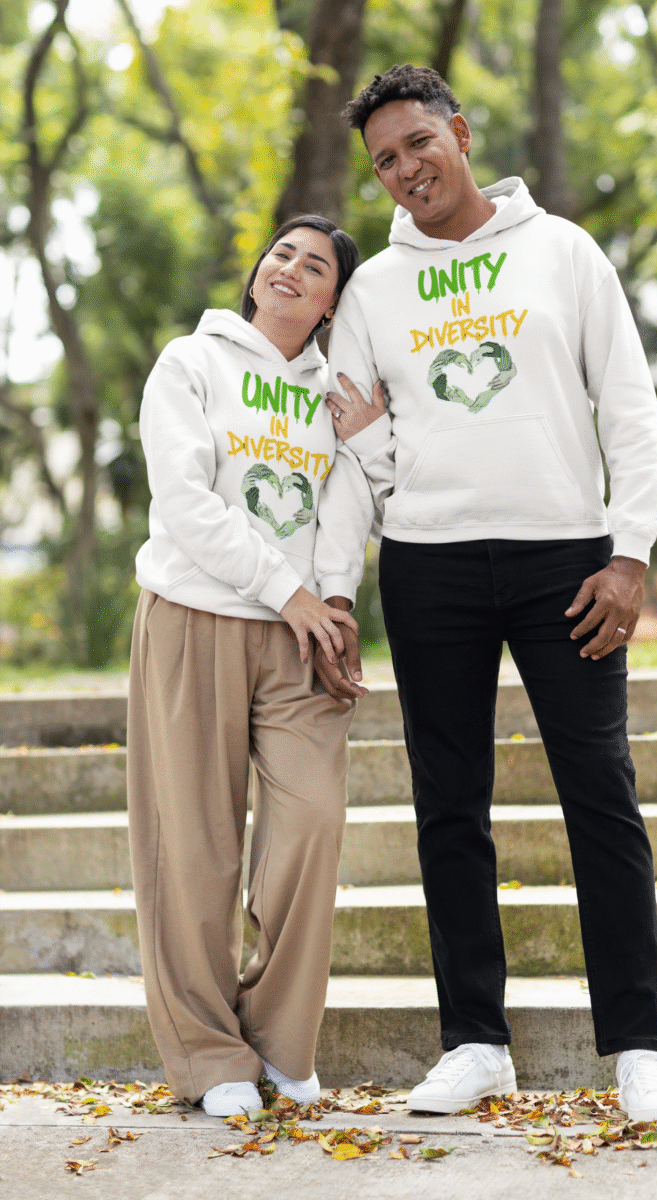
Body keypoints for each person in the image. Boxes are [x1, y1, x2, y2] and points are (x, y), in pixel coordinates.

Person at [325, 64, 657, 1124]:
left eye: (415, 146)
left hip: (563, 561)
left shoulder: (561, 253)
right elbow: (353, 430)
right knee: (449, 803)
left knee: (599, 792)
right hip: (430, 565)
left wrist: (627, 554)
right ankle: (474, 1042)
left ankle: (638, 1049)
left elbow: (626, 406)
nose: (404, 172)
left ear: (461, 133)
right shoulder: (373, 291)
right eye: (384, 162)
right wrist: (389, 508)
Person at [127, 215, 373, 1118]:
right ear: (259, 271)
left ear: (331, 302)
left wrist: (333, 598)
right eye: (282, 254)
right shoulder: (190, 363)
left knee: (312, 820)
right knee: (192, 843)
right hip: (195, 615)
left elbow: (351, 495)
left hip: (302, 635)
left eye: (314, 267)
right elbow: (185, 502)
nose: (291, 270)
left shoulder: (335, 390)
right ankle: (206, 1053)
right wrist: (288, 588)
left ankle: (278, 1039)